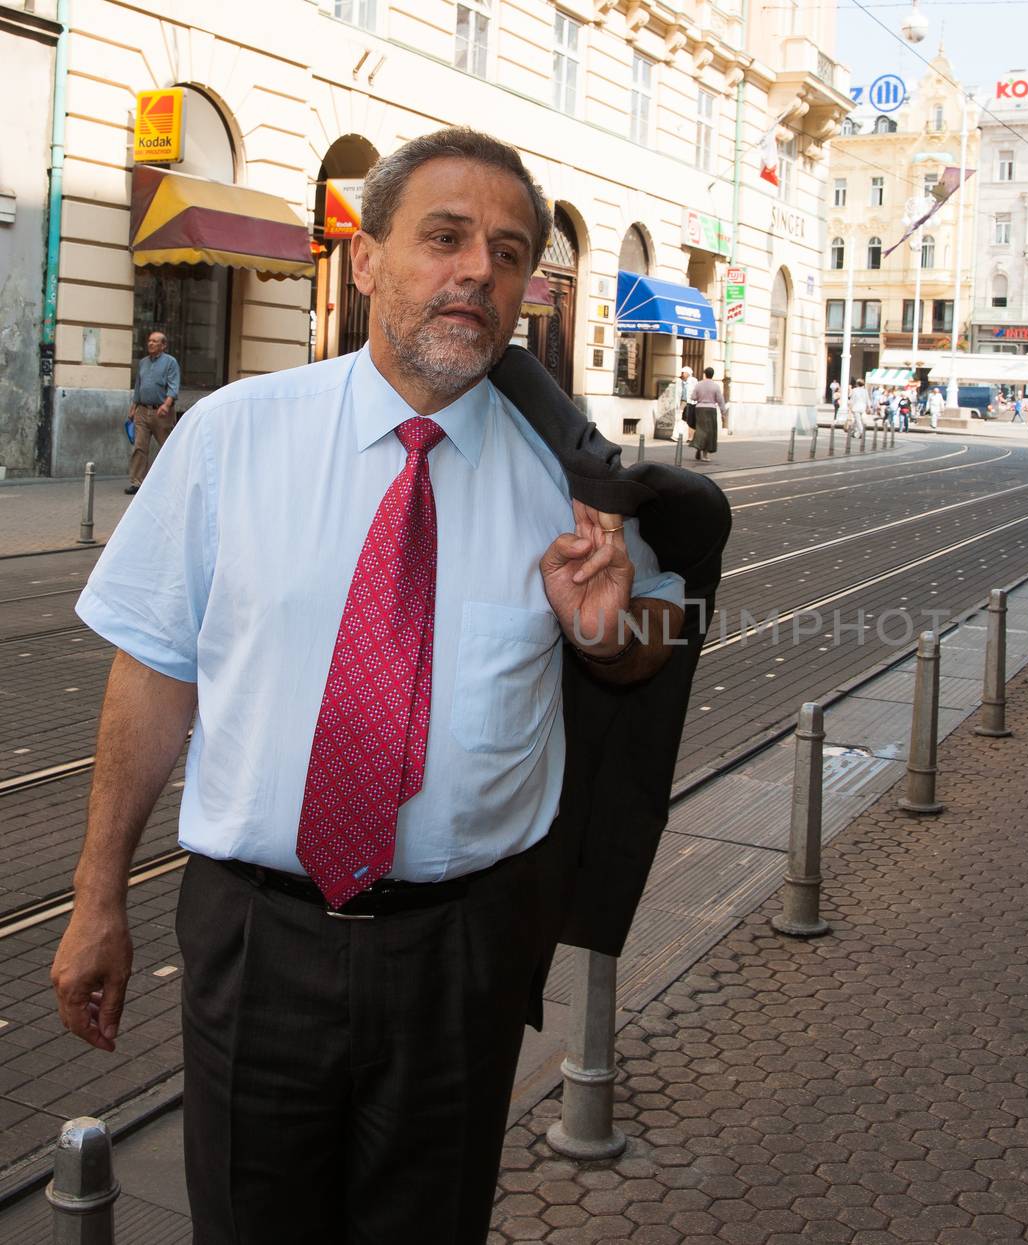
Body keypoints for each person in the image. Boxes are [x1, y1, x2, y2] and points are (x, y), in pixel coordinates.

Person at [52, 127, 699, 1244]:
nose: (477, 274)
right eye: (443, 238)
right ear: (365, 260)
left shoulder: (576, 476)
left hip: (463, 953)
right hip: (259, 942)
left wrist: (606, 634)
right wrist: (97, 897)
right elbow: (154, 671)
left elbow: (645, 645)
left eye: (507, 255)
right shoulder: (231, 437)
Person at [126, 330, 180, 494]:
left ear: (163, 345)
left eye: (155, 341)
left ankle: (174, 481)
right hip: (142, 410)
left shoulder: (170, 362)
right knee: (139, 447)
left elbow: (173, 385)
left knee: (168, 447)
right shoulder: (143, 363)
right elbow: (138, 385)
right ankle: (137, 482)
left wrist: (167, 404)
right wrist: (134, 406)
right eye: (149, 340)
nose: (150, 343)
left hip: (162, 412)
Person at [690, 366, 725, 461]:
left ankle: (698, 447)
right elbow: (720, 400)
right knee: (709, 432)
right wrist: (723, 412)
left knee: (700, 430)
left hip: (699, 408)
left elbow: (693, 397)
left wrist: (700, 397)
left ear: (705, 374)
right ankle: (705, 455)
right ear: (713, 375)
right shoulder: (716, 386)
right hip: (711, 409)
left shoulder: (699, 384)